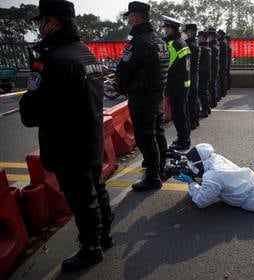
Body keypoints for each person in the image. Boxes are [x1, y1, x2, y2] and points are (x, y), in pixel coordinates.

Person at [19, 0, 114, 272]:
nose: (40, 27)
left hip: (67, 143)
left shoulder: (50, 60)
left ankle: (90, 248)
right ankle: (104, 235)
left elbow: (31, 112)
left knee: (81, 198)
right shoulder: (86, 53)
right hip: (91, 136)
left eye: (42, 21)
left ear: (53, 23)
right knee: (97, 187)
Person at [116, 2, 169, 191]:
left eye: (129, 17)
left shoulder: (138, 42)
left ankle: (153, 178)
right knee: (157, 133)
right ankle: (161, 168)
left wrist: (121, 87)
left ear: (135, 18)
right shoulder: (159, 41)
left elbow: (123, 71)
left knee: (146, 138)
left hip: (142, 97)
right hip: (156, 96)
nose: (128, 20)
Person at [162, 15, 192, 150]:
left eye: (166, 28)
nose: (165, 31)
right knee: (183, 114)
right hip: (184, 84)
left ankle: (183, 140)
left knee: (179, 115)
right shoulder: (182, 41)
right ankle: (184, 138)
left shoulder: (174, 45)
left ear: (171, 29)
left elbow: (167, 66)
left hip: (176, 86)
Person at [184, 23, 200, 130]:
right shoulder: (195, 43)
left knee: (190, 99)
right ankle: (195, 120)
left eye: (188, 32)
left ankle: (192, 122)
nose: (186, 34)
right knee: (194, 98)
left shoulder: (189, 44)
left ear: (193, 32)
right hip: (194, 74)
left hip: (190, 74)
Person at [197, 30, 212, 118]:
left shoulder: (202, 48)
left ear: (202, 37)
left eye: (199, 37)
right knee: (205, 91)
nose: (198, 39)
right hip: (207, 72)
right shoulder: (208, 47)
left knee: (202, 92)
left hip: (202, 73)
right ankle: (207, 108)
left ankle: (205, 110)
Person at [207, 27, 219, 108]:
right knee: (213, 85)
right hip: (214, 68)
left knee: (211, 86)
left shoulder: (212, 46)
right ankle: (213, 101)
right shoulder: (215, 44)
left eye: (210, 36)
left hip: (212, 68)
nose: (208, 37)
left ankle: (213, 102)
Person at [217, 29, 228, 98]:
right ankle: (223, 91)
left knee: (221, 77)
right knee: (222, 77)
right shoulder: (223, 42)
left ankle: (222, 92)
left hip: (221, 63)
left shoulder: (221, 43)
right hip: (223, 63)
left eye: (218, 34)